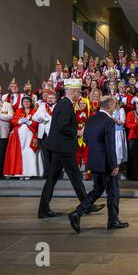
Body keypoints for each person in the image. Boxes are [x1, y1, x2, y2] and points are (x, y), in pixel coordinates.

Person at [38, 79, 104, 219]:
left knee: (54, 179)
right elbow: (62, 126)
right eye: (79, 92)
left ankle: (43, 210)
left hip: (60, 147)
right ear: (73, 91)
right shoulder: (65, 105)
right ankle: (86, 205)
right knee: (75, 177)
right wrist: (77, 133)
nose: (80, 95)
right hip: (63, 148)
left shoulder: (64, 104)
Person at [68, 97, 129, 233]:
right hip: (106, 163)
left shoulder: (90, 119)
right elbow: (110, 145)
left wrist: (96, 150)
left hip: (94, 161)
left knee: (97, 190)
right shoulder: (108, 121)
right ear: (109, 106)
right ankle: (113, 221)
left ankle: (77, 213)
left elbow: (85, 139)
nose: (115, 108)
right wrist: (114, 165)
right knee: (113, 192)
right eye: (114, 105)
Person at [3, 96, 43, 179]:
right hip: (20, 136)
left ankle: (30, 172)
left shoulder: (34, 110)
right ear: (22, 103)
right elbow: (13, 120)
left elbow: (37, 123)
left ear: (30, 102)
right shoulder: (19, 110)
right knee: (21, 153)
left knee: (30, 152)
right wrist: (19, 121)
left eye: (28, 101)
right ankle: (20, 173)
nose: (26, 103)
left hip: (31, 135)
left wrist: (29, 122)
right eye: (24, 101)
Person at [32, 88, 57, 179]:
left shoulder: (58, 107)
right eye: (49, 97)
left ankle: (54, 174)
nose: (50, 99)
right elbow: (34, 117)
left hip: (54, 135)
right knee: (46, 155)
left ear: (55, 99)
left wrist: (49, 119)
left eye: (52, 97)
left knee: (54, 156)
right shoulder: (42, 106)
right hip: (43, 135)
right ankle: (47, 173)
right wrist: (41, 118)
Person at [112, 98, 128, 165]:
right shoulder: (108, 111)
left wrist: (115, 120)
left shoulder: (120, 110)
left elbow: (122, 122)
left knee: (118, 150)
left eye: (114, 102)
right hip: (110, 133)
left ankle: (117, 167)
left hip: (118, 133)